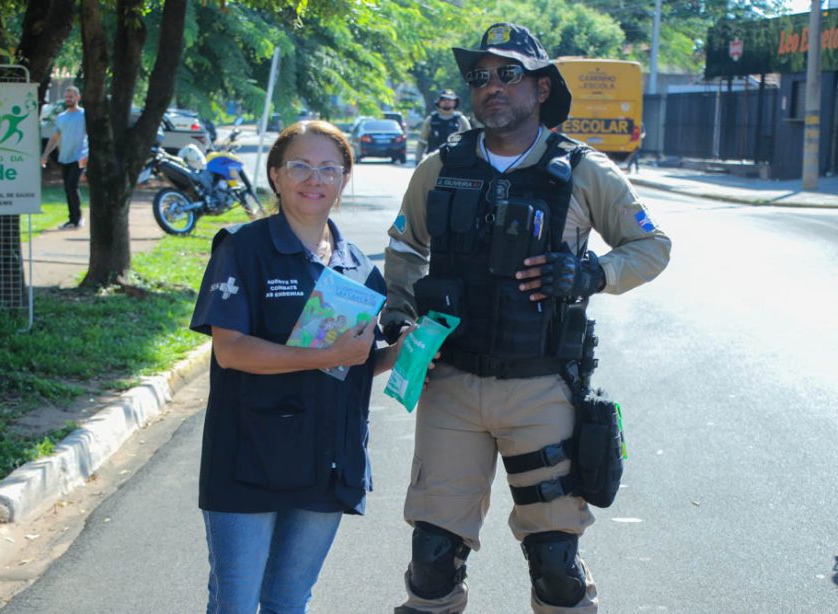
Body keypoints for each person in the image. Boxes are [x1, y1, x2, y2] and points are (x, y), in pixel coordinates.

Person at [381, 23, 672, 613]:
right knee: (432, 558)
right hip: (450, 386)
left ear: (541, 88)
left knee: (555, 563)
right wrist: (400, 317)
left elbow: (652, 247)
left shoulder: (584, 171)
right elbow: (405, 248)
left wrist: (591, 274)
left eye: (508, 74)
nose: (492, 86)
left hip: (541, 389)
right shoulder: (440, 167)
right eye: (480, 76)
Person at [190, 120, 409, 614]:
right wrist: (327, 356)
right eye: (301, 166)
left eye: (329, 168)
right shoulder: (242, 248)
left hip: (328, 461)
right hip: (247, 459)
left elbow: (352, 364)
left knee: (289, 602)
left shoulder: (359, 267)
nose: (316, 179)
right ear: (275, 175)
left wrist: (398, 355)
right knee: (236, 603)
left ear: (344, 179)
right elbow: (231, 351)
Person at [41, 85, 88, 229]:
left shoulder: (84, 115)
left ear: (78, 98)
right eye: (66, 97)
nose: (68, 99)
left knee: (72, 185)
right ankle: (73, 219)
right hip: (65, 157)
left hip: (81, 156)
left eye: (71, 97)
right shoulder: (61, 117)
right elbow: (55, 138)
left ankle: (77, 219)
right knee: (68, 187)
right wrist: (45, 154)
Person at [415, 89, 472, 162]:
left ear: (455, 102)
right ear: (439, 101)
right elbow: (422, 142)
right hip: (433, 160)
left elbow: (470, 142)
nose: (447, 101)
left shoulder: (461, 120)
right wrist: (418, 160)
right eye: (443, 99)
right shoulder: (431, 120)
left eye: (450, 99)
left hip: (455, 161)